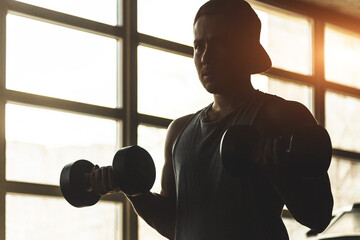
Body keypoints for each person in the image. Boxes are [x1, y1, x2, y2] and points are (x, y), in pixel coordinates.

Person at [90, 0, 333, 239]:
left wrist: (278, 172)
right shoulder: (179, 131)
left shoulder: (283, 116)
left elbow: (320, 217)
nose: (205, 57)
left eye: (220, 44)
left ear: (246, 49)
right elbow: (175, 225)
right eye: (198, 46)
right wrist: (132, 190)